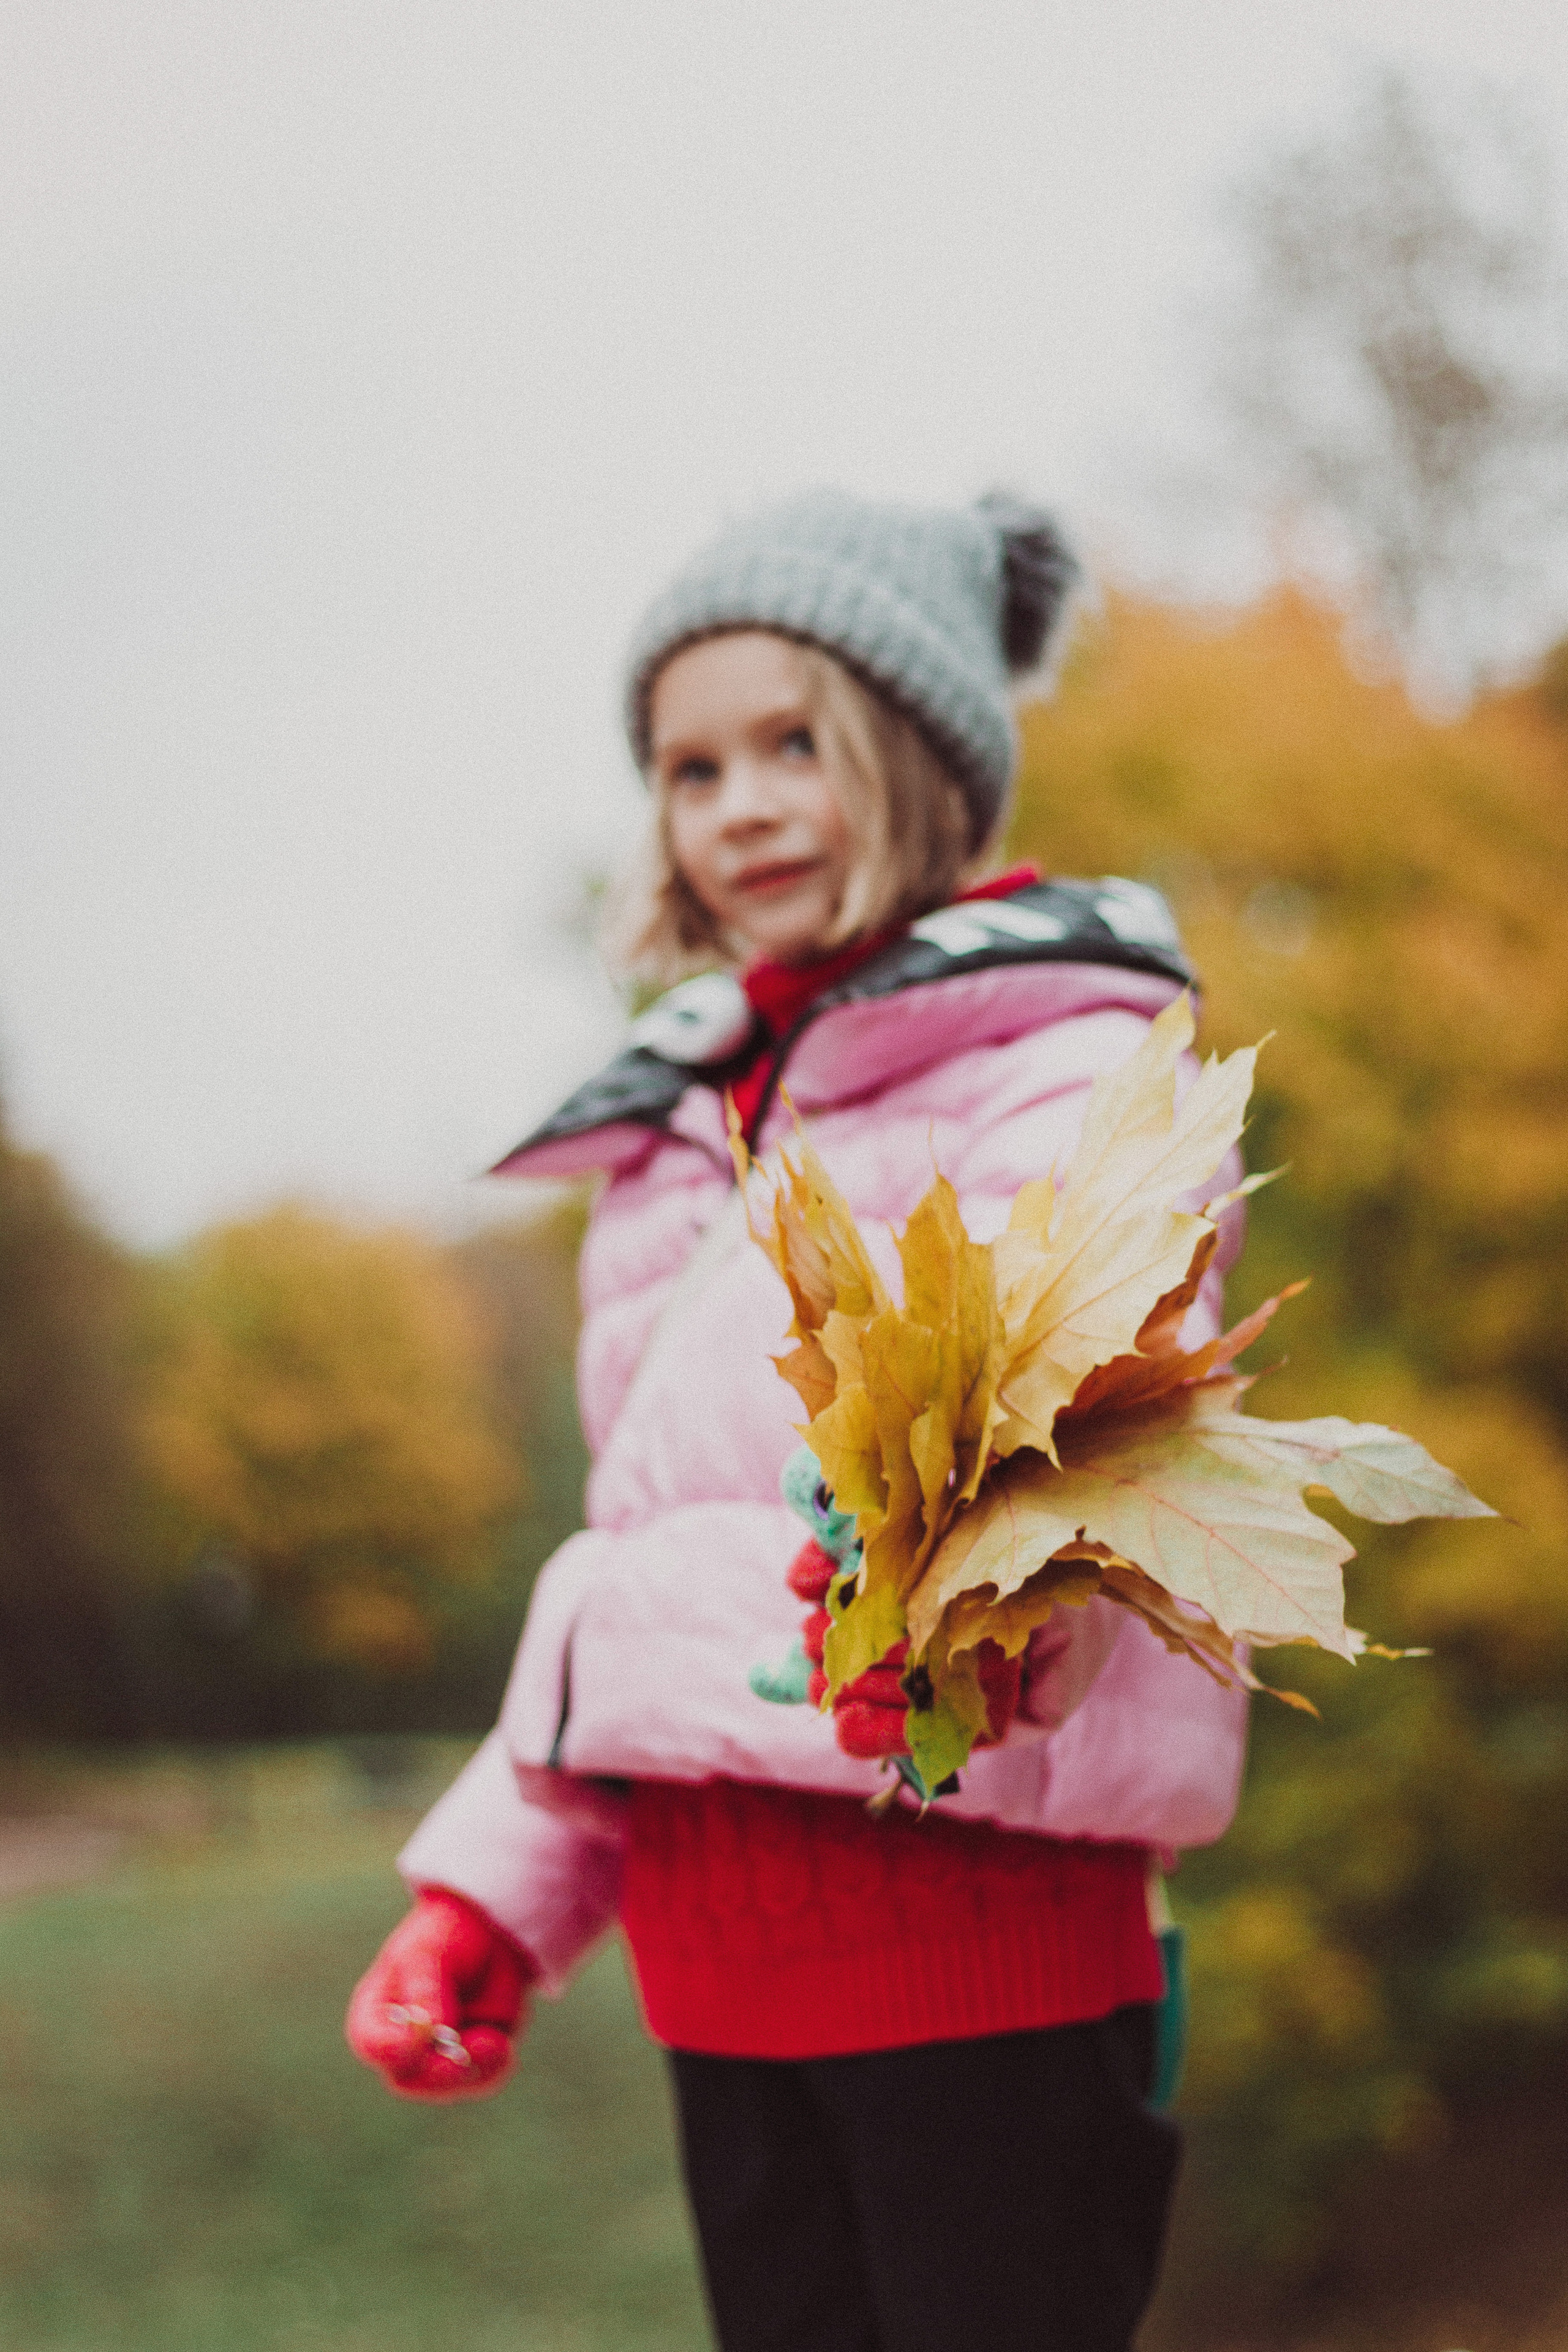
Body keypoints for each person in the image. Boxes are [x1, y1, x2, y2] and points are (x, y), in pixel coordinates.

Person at [345, 489, 1250, 2352]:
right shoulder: (682, 1139)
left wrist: (996, 1618)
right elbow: (638, 1576)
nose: (739, 806)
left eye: (794, 745)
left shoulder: (1069, 1068)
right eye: (690, 769)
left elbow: (1089, 1446)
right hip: (723, 1984)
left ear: (923, 759)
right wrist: (489, 1900)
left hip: (976, 1961)